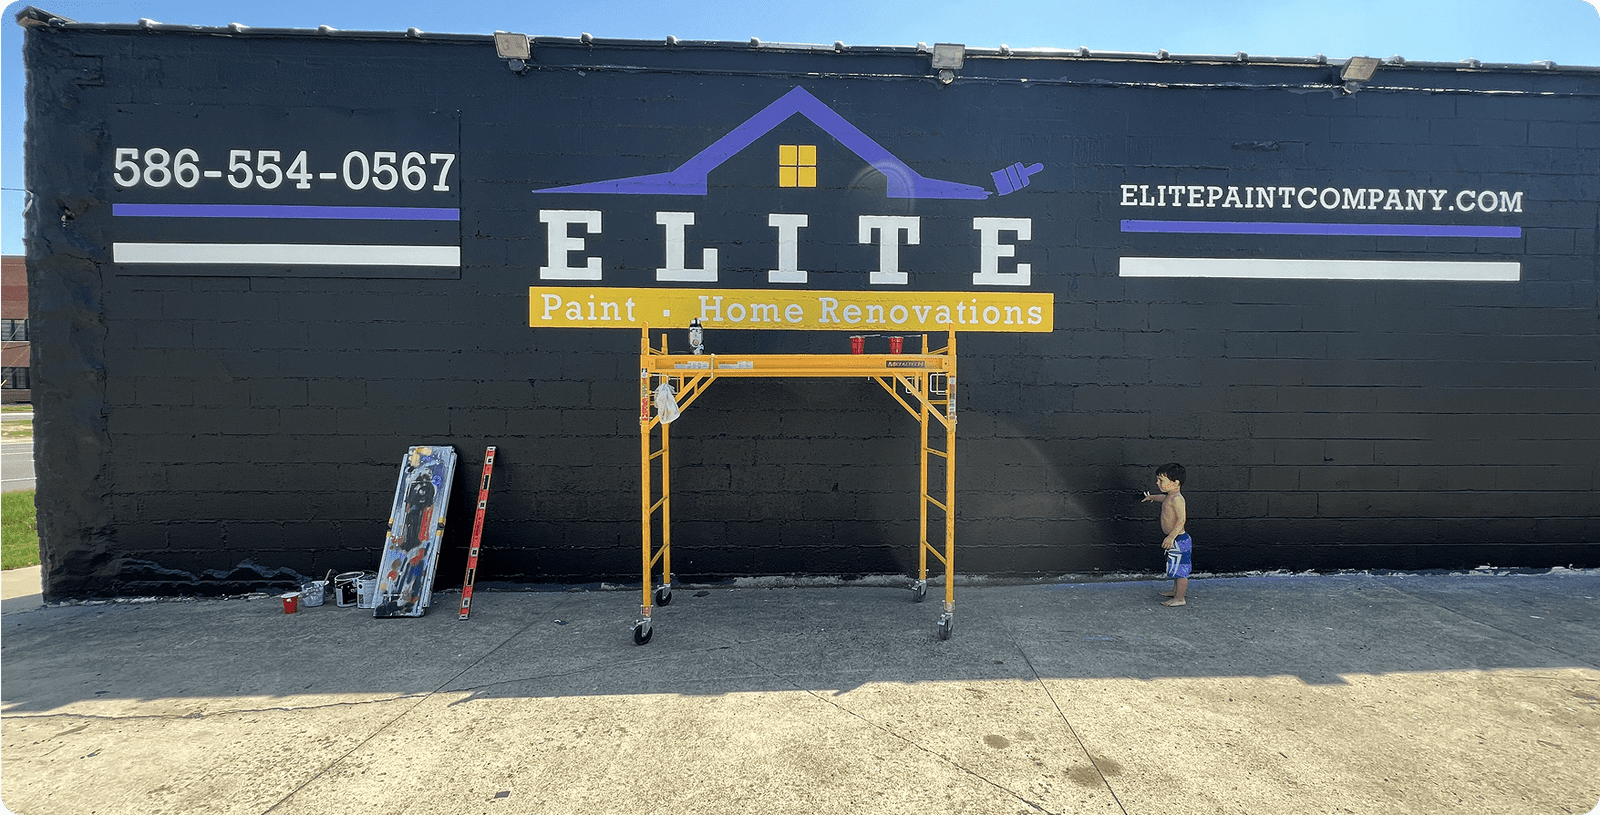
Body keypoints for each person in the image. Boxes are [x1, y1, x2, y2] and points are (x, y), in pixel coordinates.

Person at [1141, 462, 1191, 607]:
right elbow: (1161, 498)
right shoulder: (1170, 496)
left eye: (1161, 480)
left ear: (1176, 482)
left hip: (1179, 540)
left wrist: (1171, 537)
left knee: (1181, 571)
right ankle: (1175, 591)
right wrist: (1151, 498)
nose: (1157, 483)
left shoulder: (1177, 499)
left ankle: (1180, 598)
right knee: (1175, 567)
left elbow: (1182, 520)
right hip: (1176, 540)